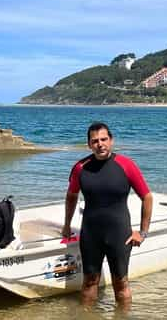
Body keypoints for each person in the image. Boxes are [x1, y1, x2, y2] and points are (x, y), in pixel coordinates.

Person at [62, 122, 153, 310]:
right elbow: (71, 196)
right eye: (95, 141)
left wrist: (143, 232)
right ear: (89, 144)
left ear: (111, 141)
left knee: (121, 283)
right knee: (89, 282)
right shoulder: (81, 167)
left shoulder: (126, 165)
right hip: (91, 234)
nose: (100, 144)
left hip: (119, 234)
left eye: (104, 139)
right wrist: (66, 225)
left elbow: (147, 197)